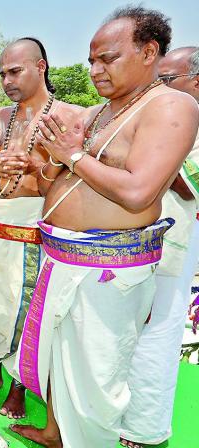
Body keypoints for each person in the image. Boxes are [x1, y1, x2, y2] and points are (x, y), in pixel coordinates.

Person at [9, 7, 199, 447]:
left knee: (96, 379)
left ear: (149, 52)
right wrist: (53, 157)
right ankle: (57, 433)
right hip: (60, 255)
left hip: (107, 267)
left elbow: (139, 192)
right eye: (91, 60)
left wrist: (74, 156)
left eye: (107, 59)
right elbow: (47, 182)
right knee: (58, 359)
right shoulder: (96, 113)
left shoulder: (172, 106)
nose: (94, 70)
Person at [0, 38, 82, 419]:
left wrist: (35, 169)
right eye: (2, 74)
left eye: (15, 71)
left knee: (26, 305)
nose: (7, 81)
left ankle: (19, 384)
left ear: (41, 66)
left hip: (32, 222)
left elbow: (71, 183)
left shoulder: (71, 115)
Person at [120, 46, 199, 448]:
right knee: (121, 333)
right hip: (130, 241)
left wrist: (162, 157)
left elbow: (190, 186)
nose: (159, 90)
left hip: (171, 247)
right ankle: (113, 416)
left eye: (167, 81)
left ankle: (144, 431)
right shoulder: (157, 117)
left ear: (196, 81)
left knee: (156, 336)